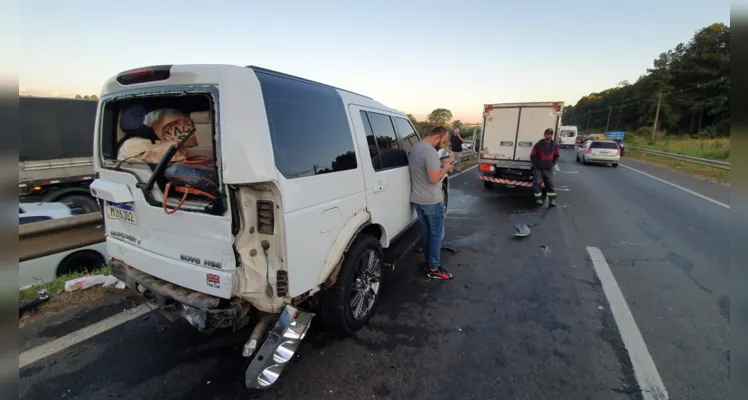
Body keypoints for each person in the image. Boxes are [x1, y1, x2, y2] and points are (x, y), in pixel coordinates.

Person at [408, 126, 454, 280]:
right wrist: (446, 168)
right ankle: (433, 267)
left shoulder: (415, 148)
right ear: (437, 137)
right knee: (436, 235)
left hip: (418, 199)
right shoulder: (430, 151)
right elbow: (434, 179)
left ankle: (428, 262)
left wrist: (439, 167)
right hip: (432, 200)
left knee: (427, 233)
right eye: (443, 141)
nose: (443, 144)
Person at [530, 128, 560, 207]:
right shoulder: (539, 144)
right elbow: (532, 155)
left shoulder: (554, 145)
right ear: (544, 135)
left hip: (549, 167)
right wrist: (537, 164)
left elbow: (557, 155)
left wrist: (553, 163)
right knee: (537, 183)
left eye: (551, 134)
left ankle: (552, 200)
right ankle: (538, 199)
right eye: (548, 134)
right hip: (539, 167)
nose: (549, 136)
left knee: (550, 184)